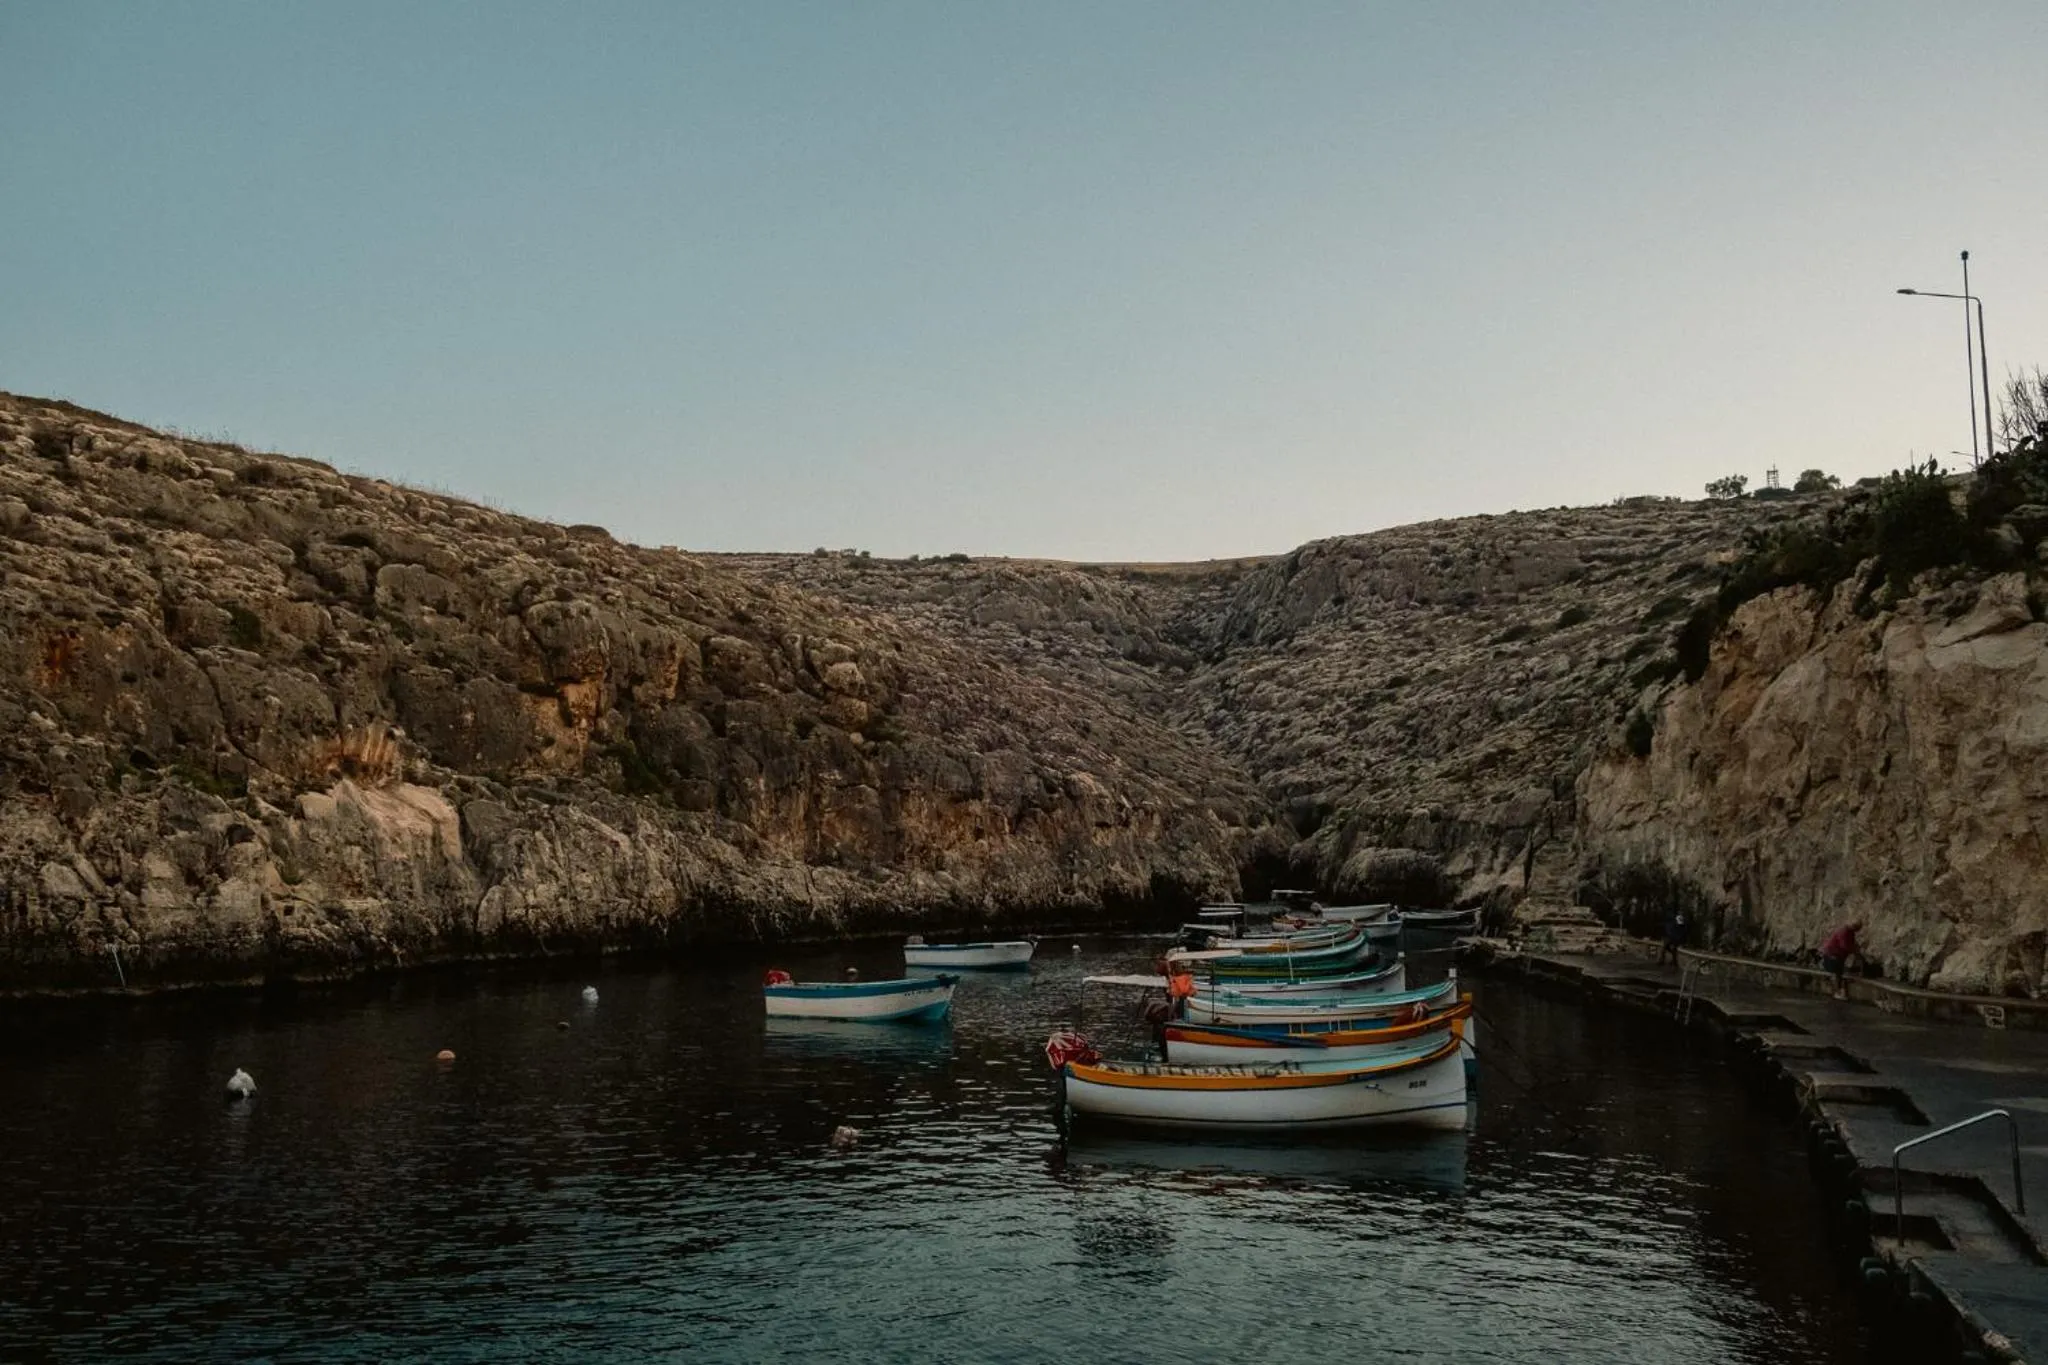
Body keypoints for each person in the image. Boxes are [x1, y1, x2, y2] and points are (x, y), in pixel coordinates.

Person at [1820, 920, 1863, 999]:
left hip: (1839, 955)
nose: (1857, 930)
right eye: (1857, 928)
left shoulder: (1851, 932)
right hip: (1831, 954)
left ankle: (1840, 990)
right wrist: (1854, 950)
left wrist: (1856, 950)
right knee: (1837, 971)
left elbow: (1852, 944)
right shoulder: (1843, 931)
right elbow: (1844, 946)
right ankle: (1837, 992)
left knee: (1841, 970)